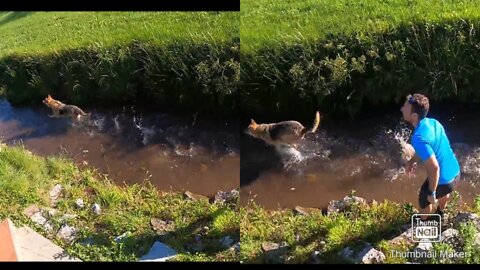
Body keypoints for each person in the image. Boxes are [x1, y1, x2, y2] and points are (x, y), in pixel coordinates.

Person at [400, 93, 460, 219]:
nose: (401, 109)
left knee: (424, 200)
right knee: (443, 191)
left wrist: (432, 193)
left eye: (405, 107)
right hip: (455, 173)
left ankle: (423, 222)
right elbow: (427, 149)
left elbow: (434, 168)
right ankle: (440, 213)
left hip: (444, 180)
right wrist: (412, 160)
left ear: (414, 116)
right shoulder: (433, 122)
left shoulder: (418, 137)